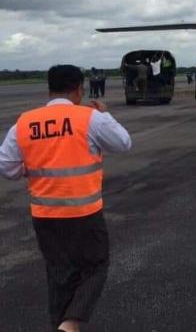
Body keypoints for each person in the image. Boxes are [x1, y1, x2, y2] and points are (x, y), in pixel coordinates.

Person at [0, 64, 132, 332]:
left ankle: (59, 326)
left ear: (49, 89)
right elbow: (123, 143)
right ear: (79, 89)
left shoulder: (25, 122)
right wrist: (106, 116)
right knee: (96, 266)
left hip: (45, 216)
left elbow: (6, 166)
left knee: (59, 274)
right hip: (84, 213)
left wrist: (28, 169)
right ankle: (71, 324)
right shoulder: (89, 118)